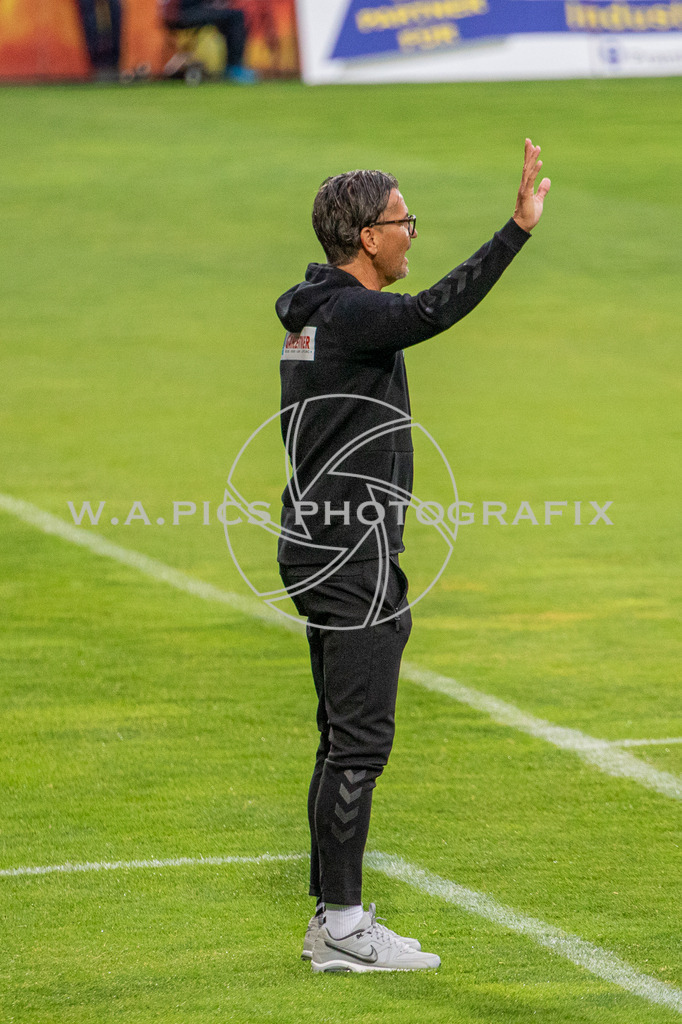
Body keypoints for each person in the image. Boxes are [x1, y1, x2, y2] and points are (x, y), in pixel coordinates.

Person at [276, 140, 551, 973]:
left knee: (339, 737)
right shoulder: (351, 316)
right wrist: (515, 231)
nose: (412, 233)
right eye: (404, 220)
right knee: (360, 743)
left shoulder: (315, 315)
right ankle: (343, 928)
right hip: (349, 553)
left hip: (323, 545)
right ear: (367, 236)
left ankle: (333, 920)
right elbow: (433, 310)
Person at [160, 0, 257, 82]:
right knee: (236, 16)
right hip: (182, 13)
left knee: (230, 17)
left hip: (181, 13)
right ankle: (234, 68)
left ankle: (233, 66)